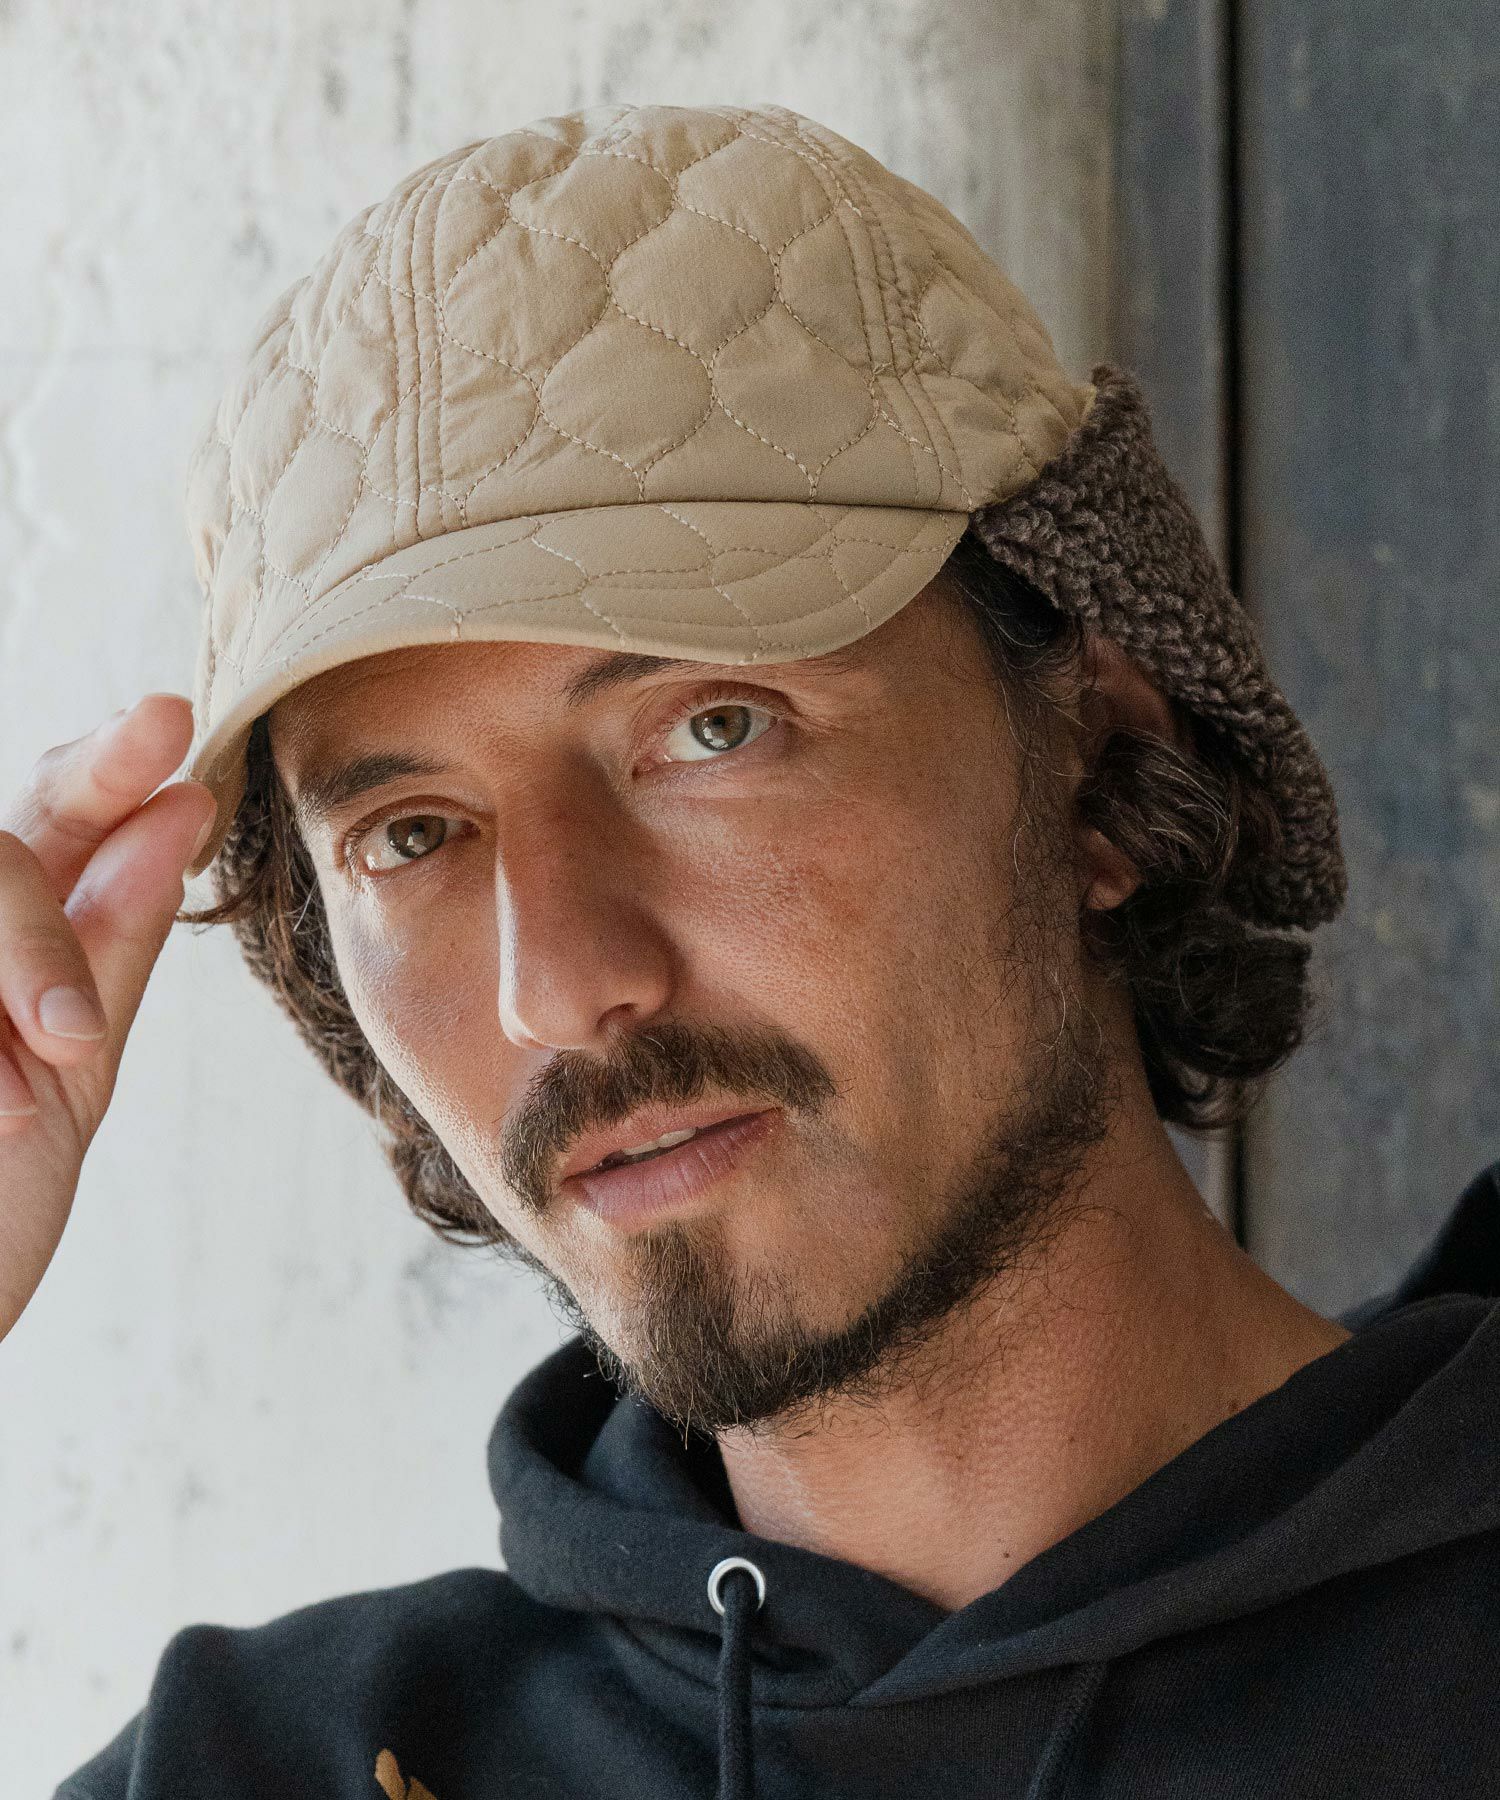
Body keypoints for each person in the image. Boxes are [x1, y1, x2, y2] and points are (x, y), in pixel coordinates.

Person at [7, 102, 1494, 1800]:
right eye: (411, 835)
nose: (560, 985)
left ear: (1099, 754)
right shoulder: (262, 1768)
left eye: (713, 728)